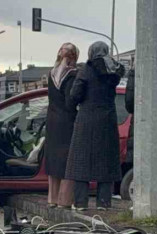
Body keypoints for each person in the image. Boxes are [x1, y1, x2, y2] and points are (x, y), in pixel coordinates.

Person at [65, 41, 125, 211]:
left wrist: (73, 104)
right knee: (106, 161)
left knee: (81, 161)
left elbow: (75, 95)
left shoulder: (86, 69)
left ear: (91, 52)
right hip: (107, 119)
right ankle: (104, 203)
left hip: (87, 119)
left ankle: (81, 203)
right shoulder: (115, 69)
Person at [43, 42, 80, 209]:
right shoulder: (72, 75)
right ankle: (64, 200)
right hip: (67, 122)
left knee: (53, 160)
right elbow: (70, 101)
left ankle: (52, 198)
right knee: (67, 160)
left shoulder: (50, 74)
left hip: (51, 121)